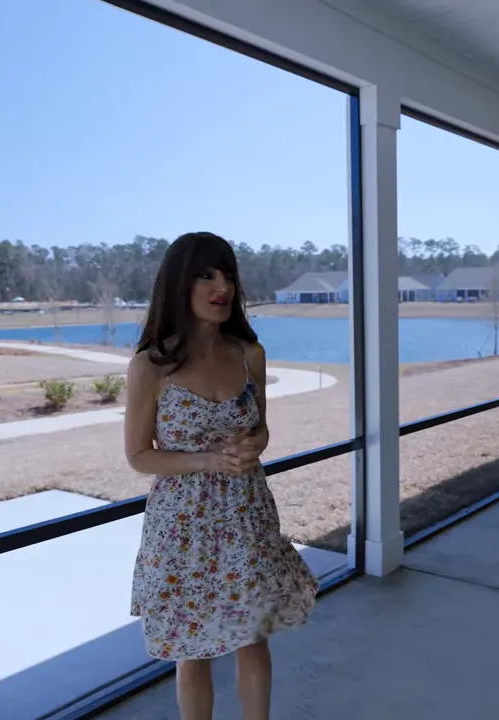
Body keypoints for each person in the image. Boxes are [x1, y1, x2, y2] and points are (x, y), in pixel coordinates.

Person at [126, 231, 317, 720]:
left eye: (228, 274)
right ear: (178, 284)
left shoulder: (249, 353)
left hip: (245, 518)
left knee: (251, 639)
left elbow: (262, 428)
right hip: (182, 526)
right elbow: (140, 456)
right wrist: (208, 461)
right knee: (192, 653)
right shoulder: (151, 365)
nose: (222, 286)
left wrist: (256, 443)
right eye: (206, 274)